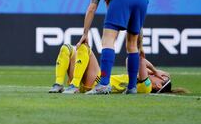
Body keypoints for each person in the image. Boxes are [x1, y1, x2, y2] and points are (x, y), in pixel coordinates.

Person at [77, 0, 148, 94]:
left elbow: (92, 8)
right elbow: (138, 27)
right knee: (132, 44)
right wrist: (140, 46)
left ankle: (104, 84)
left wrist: (85, 33)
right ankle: (132, 87)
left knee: (108, 39)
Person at [48, 43, 180, 94]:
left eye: (162, 77)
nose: (158, 73)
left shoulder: (146, 87)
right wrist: (155, 72)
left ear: (157, 86)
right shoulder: (138, 80)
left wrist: (155, 71)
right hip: (92, 82)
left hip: (97, 81)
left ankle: (74, 86)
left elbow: (140, 60)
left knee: (84, 47)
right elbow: (130, 60)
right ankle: (59, 84)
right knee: (66, 49)